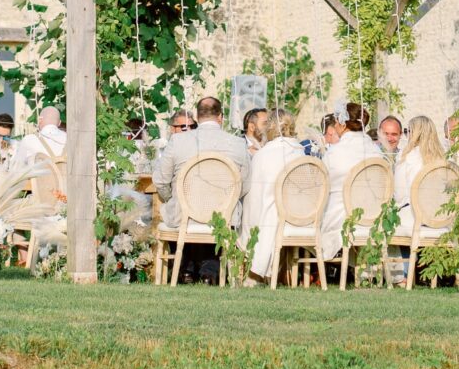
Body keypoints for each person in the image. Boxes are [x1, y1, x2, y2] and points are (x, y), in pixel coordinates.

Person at [154, 97, 249, 231]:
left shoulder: (177, 141)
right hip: (225, 218)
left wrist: (177, 197)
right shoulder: (239, 144)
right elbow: (245, 185)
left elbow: (161, 181)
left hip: (184, 218)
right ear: (221, 117)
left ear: (197, 117)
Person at [240, 107, 307, 282]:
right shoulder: (301, 152)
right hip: (299, 215)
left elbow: (253, 194)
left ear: (269, 128)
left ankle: (254, 268)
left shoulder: (264, 155)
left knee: (252, 210)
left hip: (272, 218)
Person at [321, 103, 384, 260]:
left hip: (343, 216)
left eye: (336, 122)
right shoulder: (376, 151)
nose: (334, 126)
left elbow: (323, 184)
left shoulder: (334, 152)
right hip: (374, 215)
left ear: (342, 124)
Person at [394, 115, 446, 237]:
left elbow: (399, 195)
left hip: (413, 217)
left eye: (408, 131)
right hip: (441, 217)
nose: (407, 135)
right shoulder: (443, 157)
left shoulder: (406, 156)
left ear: (415, 134)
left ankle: (405, 255)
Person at [10, 106, 66, 175]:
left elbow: (15, 168)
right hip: (66, 184)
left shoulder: (29, 140)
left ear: (39, 120)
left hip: (39, 185)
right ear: (59, 123)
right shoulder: (70, 140)